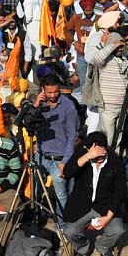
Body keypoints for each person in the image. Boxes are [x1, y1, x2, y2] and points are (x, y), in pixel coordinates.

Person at [62, 132, 127, 256]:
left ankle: (103, 247)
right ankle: (83, 249)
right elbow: (67, 172)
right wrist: (86, 157)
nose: (99, 157)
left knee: (117, 230)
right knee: (69, 232)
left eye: (101, 154)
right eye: (95, 155)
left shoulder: (116, 163)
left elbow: (120, 192)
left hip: (105, 205)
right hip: (82, 205)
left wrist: (108, 218)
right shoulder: (83, 156)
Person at [34, 73, 80, 213]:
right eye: (49, 92)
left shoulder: (68, 106)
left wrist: (65, 161)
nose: (53, 95)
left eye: (56, 92)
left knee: (61, 195)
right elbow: (27, 123)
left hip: (59, 159)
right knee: (35, 189)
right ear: (43, 89)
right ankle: (36, 215)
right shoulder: (39, 103)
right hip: (41, 156)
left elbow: (73, 135)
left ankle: (63, 224)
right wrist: (35, 106)